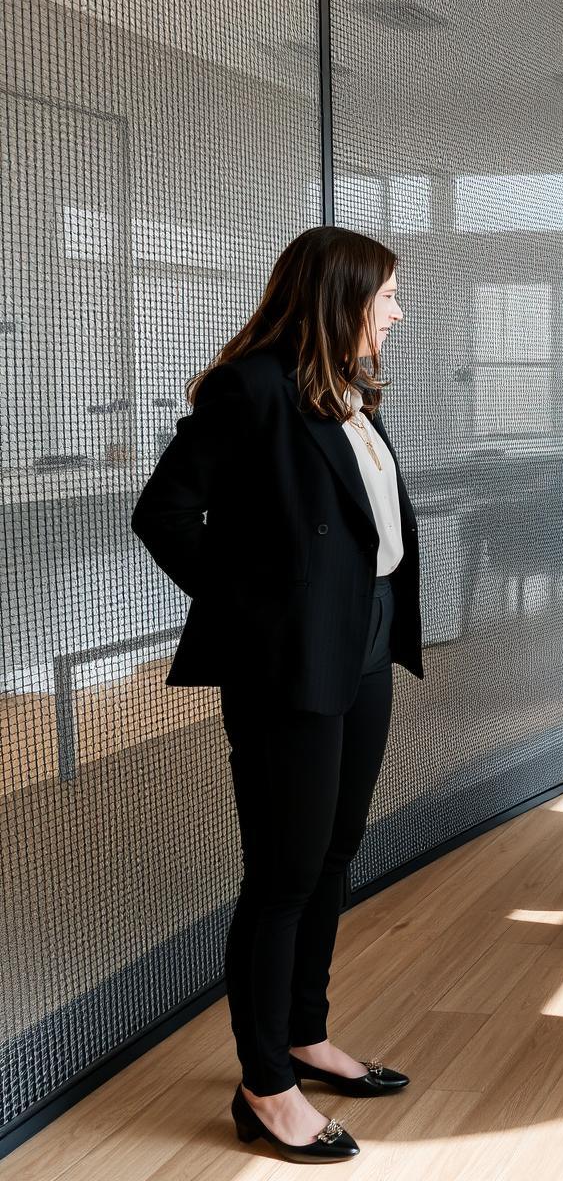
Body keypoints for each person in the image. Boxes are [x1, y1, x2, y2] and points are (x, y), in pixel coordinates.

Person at [132, 226, 422, 1164]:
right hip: (289, 664)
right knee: (285, 875)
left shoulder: (345, 394)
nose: (397, 312)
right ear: (342, 297)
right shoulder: (253, 385)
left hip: (363, 646)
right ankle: (265, 1086)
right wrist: (261, 610)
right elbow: (164, 513)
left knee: (336, 850)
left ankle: (305, 1034)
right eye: (387, 296)